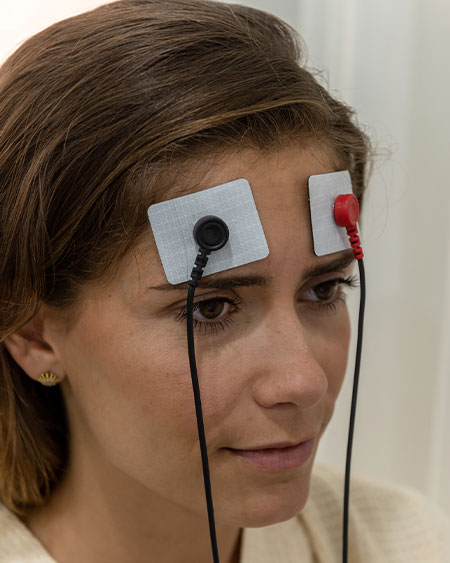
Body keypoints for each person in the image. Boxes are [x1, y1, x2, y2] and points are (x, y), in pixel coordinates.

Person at [0, 1, 449, 562]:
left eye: (323, 290)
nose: (304, 380)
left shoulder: (407, 543)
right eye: (210, 308)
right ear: (34, 333)